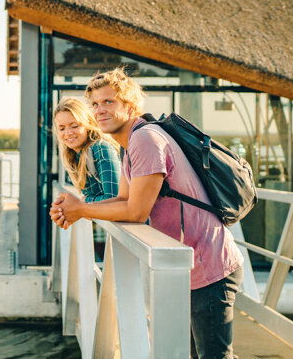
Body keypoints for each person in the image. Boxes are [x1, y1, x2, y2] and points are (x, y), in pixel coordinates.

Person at [50, 68, 244, 359]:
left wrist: (82, 209)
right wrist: (75, 210)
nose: (99, 110)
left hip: (209, 265)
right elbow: (122, 198)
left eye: (109, 102)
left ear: (129, 105)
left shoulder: (145, 140)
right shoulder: (130, 144)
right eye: (95, 104)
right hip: (188, 267)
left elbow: (136, 212)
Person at [53, 96, 120, 203]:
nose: (68, 133)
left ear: (88, 124)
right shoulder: (76, 156)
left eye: (74, 126)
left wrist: (82, 202)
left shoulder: (101, 149)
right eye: (61, 128)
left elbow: (114, 199)